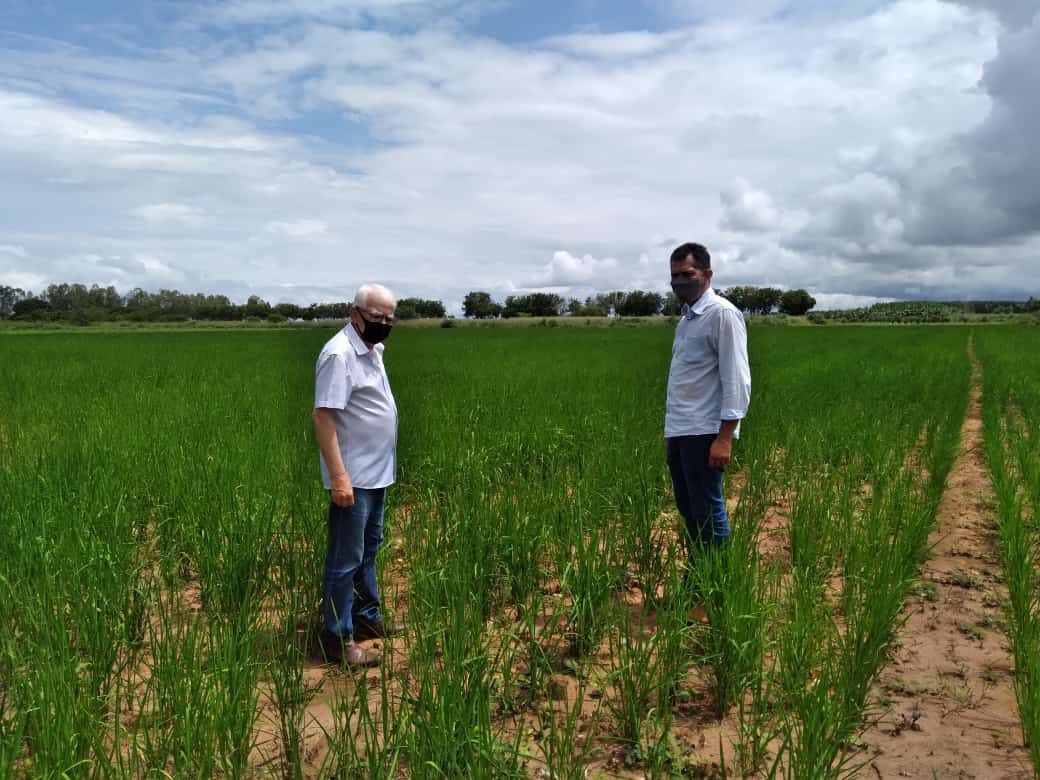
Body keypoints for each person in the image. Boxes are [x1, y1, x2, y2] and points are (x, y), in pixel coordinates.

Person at [312, 283, 402, 667]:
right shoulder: (339, 354)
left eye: (389, 318)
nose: (383, 324)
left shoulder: (372, 349)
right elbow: (323, 417)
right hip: (354, 477)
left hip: (377, 473)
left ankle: (366, 618)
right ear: (355, 314)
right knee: (345, 558)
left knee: (369, 550)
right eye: (376, 317)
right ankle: (337, 637)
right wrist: (339, 477)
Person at [665, 242, 751, 578]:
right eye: (674, 276)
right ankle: (701, 574)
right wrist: (670, 433)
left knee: (708, 510)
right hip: (681, 431)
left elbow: (737, 379)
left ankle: (717, 584)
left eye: (687, 274)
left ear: (707, 274)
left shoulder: (722, 315)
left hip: (705, 432)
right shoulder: (687, 320)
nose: (679, 281)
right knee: (689, 509)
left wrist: (725, 437)